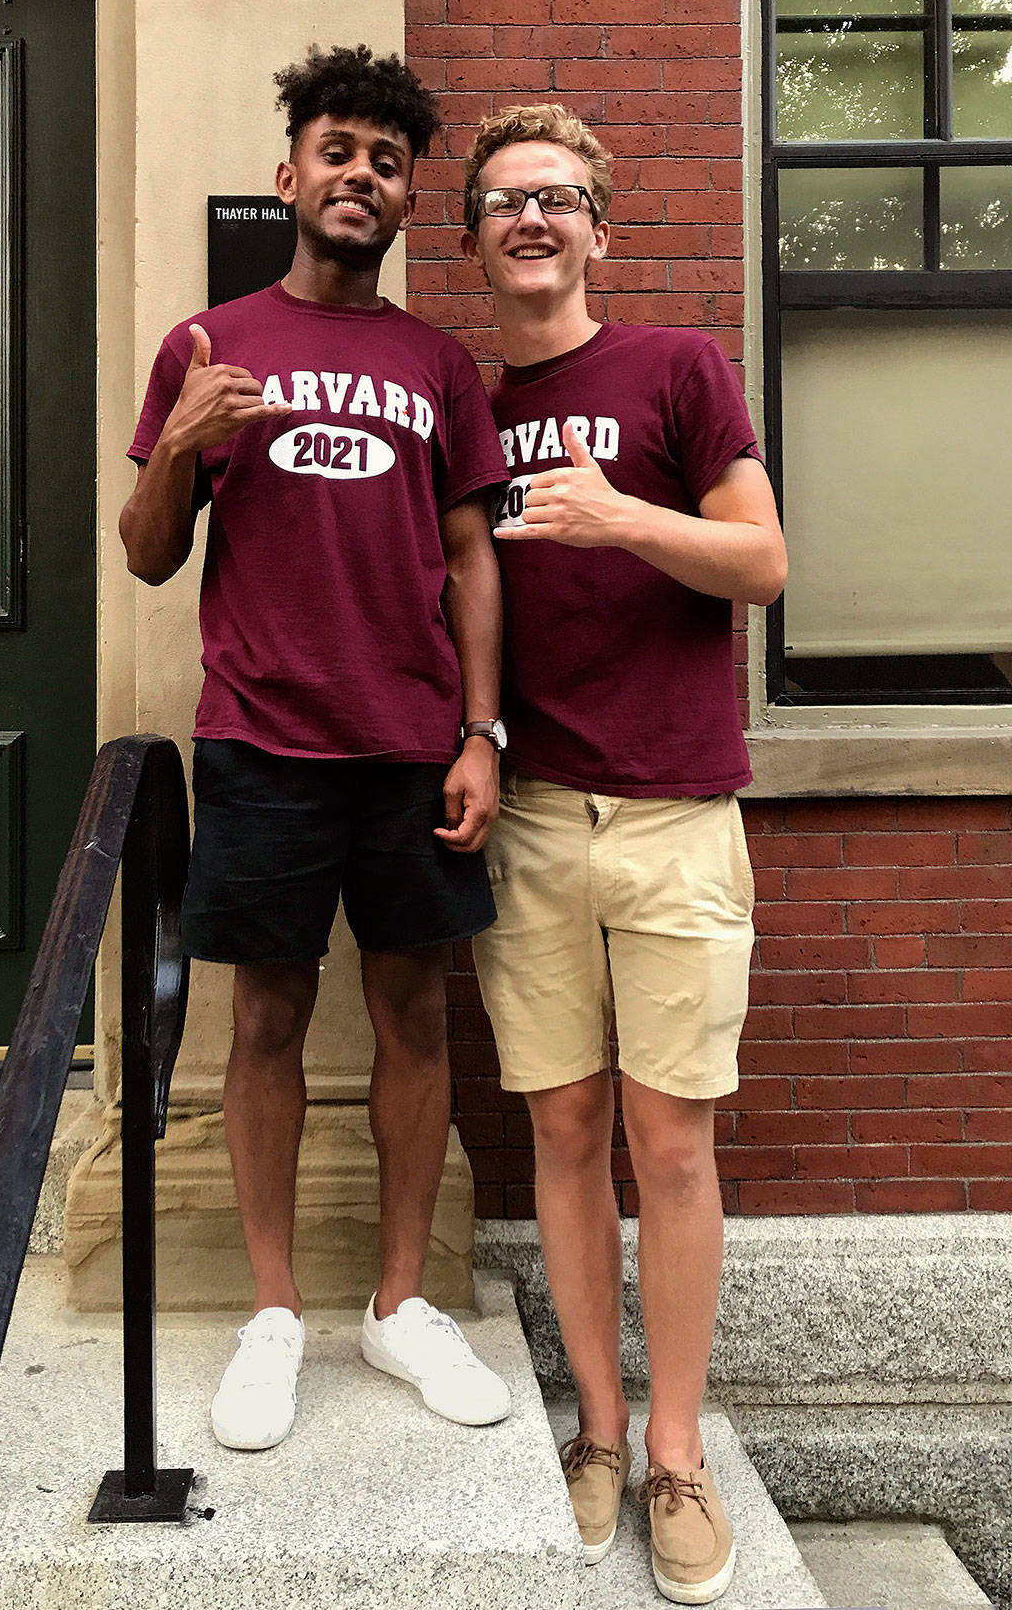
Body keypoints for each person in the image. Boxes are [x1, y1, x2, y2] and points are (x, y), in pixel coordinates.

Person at [120, 45, 512, 1453]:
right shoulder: (208, 344)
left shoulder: (437, 364)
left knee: (417, 1020)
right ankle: (276, 1313)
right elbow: (151, 560)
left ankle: (399, 1307)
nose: (360, 175)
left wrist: (481, 731)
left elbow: (473, 557)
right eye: (337, 151)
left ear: (409, 201)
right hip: (264, 743)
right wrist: (178, 443)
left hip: (412, 747)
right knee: (268, 1024)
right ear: (290, 177)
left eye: (387, 162)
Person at [460, 103, 787, 1603]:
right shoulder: (463, 403)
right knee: (567, 1133)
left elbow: (764, 563)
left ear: (601, 229)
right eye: (506, 200)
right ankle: (594, 1426)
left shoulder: (677, 368)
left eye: (559, 198)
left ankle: (677, 1449)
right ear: (473, 238)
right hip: (528, 819)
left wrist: (621, 515)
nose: (533, 218)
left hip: (673, 817)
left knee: (674, 1142)